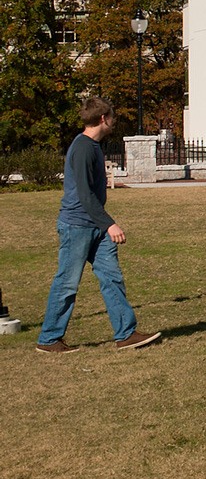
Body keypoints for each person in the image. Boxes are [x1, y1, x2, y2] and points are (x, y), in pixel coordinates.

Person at [36, 97, 161, 354]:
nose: (114, 122)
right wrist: (110, 224)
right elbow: (84, 194)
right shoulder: (83, 147)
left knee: (111, 276)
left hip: (95, 225)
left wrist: (103, 225)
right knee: (67, 282)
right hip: (77, 225)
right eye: (113, 118)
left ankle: (126, 334)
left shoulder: (93, 146)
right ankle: (49, 339)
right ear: (104, 118)